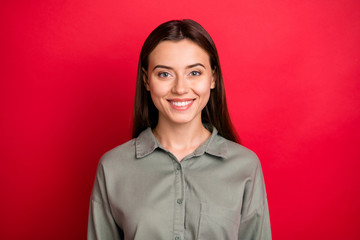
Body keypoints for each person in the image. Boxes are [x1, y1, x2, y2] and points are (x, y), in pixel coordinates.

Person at [88, 19, 271, 240]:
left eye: (194, 73)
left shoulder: (245, 166)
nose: (180, 88)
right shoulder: (113, 167)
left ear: (213, 77)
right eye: (165, 74)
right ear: (147, 80)